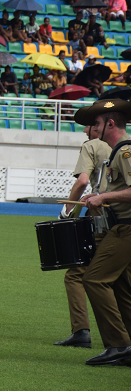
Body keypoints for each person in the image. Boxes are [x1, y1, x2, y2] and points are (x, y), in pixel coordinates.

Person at [79, 99, 131, 366]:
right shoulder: (117, 152)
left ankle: (119, 345)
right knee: (122, 288)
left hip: (126, 230)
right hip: (120, 228)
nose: (93, 129)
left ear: (110, 123)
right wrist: (101, 197)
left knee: (95, 280)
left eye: (97, 124)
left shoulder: (125, 151)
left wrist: (105, 197)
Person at [53, 111, 111, 349]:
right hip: (122, 219)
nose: (85, 131)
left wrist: (67, 212)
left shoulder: (92, 146)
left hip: (101, 218)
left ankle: (81, 331)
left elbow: (82, 181)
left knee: (76, 274)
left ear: (102, 126)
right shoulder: (123, 146)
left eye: (90, 126)